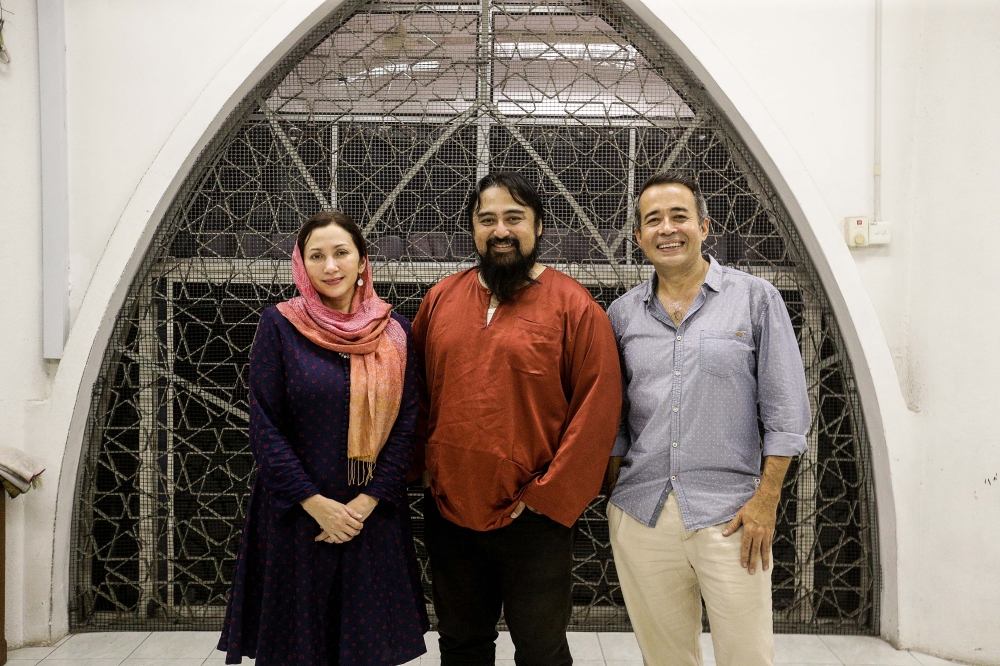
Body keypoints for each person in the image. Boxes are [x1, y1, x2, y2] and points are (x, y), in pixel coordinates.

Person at [411, 172, 621, 666]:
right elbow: (415, 394)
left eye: (514, 218)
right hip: (449, 507)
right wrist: (423, 471)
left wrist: (548, 496)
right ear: (472, 229)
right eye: (488, 219)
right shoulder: (440, 299)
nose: (501, 230)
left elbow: (597, 408)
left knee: (541, 650)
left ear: (539, 226)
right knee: (462, 644)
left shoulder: (575, 307)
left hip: (535, 515)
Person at [606, 172, 811, 666]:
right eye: (652, 220)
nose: (667, 229)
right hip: (642, 512)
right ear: (639, 237)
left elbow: (786, 412)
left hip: (732, 516)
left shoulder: (755, 299)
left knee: (746, 656)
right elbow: (611, 419)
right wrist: (616, 492)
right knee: (666, 658)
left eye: (679, 216)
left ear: (704, 226)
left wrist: (766, 500)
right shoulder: (621, 315)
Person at [218, 211, 428, 665]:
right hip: (297, 516)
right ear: (302, 265)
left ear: (362, 261)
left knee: (367, 651)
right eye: (317, 256)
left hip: (370, 517)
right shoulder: (279, 325)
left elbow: (407, 426)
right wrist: (315, 504)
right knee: (297, 650)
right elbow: (264, 425)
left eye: (341, 253)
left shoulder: (397, 334)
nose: (330, 266)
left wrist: (366, 503)